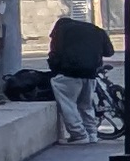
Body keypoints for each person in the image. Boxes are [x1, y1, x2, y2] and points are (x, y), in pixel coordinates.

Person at [45, 10, 115, 145]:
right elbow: (109, 52)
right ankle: (92, 133)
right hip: (91, 74)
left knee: (68, 103)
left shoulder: (61, 31)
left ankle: (79, 134)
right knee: (86, 105)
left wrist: (55, 68)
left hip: (70, 73)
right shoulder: (96, 30)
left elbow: (55, 53)